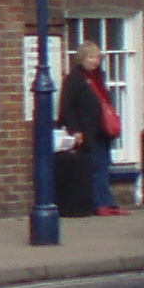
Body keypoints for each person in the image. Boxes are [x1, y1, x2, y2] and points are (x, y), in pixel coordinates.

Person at [56, 43, 115, 219]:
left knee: (104, 166)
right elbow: (67, 107)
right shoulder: (74, 79)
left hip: (102, 130)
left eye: (98, 57)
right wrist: (75, 130)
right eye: (91, 57)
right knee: (94, 168)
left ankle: (108, 202)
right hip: (86, 130)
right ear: (82, 58)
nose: (95, 61)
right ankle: (98, 204)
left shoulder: (100, 77)